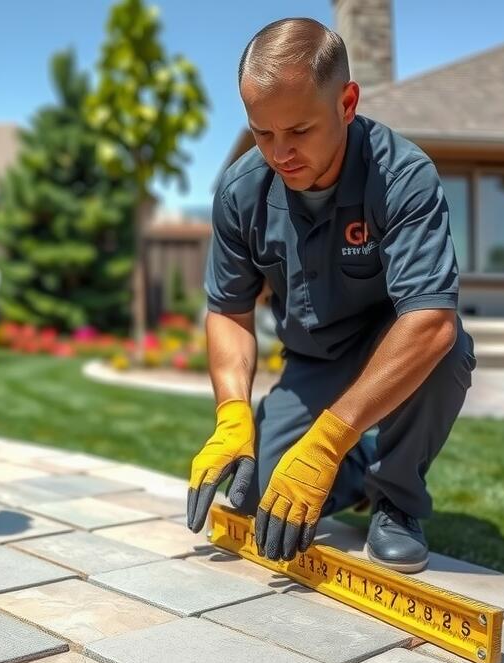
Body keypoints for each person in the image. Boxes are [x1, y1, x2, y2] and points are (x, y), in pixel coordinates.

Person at [186, 18, 475, 573]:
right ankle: (356, 467)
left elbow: (431, 322)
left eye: (299, 130)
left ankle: (395, 497)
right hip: (313, 360)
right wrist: (231, 416)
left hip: (393, 349)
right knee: (256, 500)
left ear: (346, 103)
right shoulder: (241, 192)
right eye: (263, 133)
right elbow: (228, 311)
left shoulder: (402, 177)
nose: (280, 153)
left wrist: (325, 440)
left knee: (449, 348)